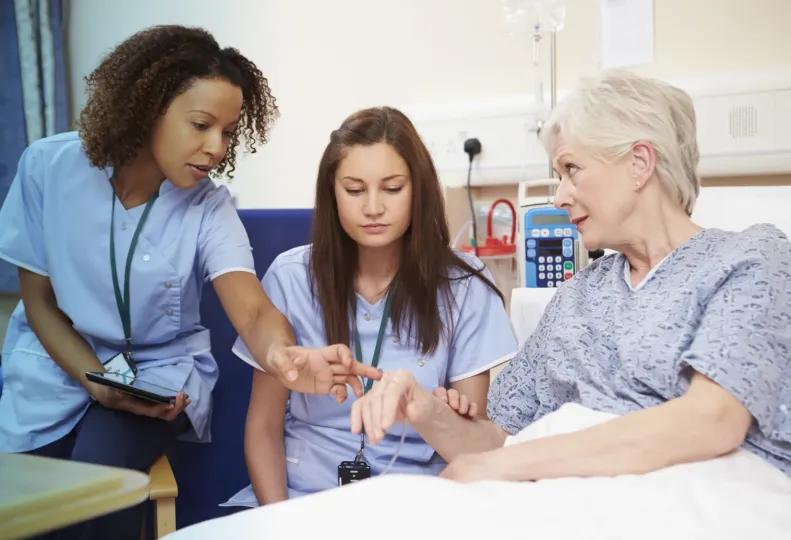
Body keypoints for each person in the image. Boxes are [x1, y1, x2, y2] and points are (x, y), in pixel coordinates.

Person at [0, 25, 378, 538]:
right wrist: (96, 381)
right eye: (201, 125)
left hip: (156, 379)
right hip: (56, 365)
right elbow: (38, 302)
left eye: (227, 132)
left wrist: (284, 357)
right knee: (27, 505)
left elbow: (253, 310)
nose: (216, 147)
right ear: (148, 107)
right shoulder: (48, 167)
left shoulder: (208, 208)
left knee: (94, 488)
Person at [349, 70, 791, 482]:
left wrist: (507, 465)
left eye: (571, 170)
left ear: (639, 163)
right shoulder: (578, 295)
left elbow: (711, 422)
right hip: (565, 499)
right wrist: (423, 408)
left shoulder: (750, 260)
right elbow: (497, 439)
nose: (560, 197)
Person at [225, 107, 518, 505]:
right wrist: (278, 523)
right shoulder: (291, 278)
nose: (374, 207)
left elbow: (472, 450)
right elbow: (262, 428)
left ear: (419, 190)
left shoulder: (464, 285)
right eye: (355, 189)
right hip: (298, 501)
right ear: (332, 193)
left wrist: (437, 412)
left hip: (415, 506)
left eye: (393, 188)